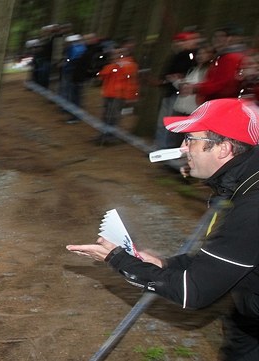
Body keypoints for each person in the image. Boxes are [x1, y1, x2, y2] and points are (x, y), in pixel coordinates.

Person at [67, 98, 259, 360]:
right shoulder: (245, 183)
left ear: (223, 149)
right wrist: (164, 264)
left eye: (191, 139)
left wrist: (116, 259)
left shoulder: (251, 206)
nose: (183, 149)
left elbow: (194, 292)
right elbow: (221, 261)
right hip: (249, 318)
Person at [181, 24, 246, 103]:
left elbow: (223, 84)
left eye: (221, 37)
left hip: (219, 103)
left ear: (230, 38)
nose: (216, 40)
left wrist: (197, 88)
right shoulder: (222, 56)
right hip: (215, 101)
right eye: (215, 37)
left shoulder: (231, 57)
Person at [96, 47, 139, 144]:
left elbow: (130, 81)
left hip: (118, 95)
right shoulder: (113, 65)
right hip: (109, 93)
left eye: (119, 53)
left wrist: (131, 96)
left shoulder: (129, 65)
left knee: (113, 116)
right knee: (106, 116)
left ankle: (110, 137)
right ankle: (104, 135)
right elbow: (102, 74)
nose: (116, 55)